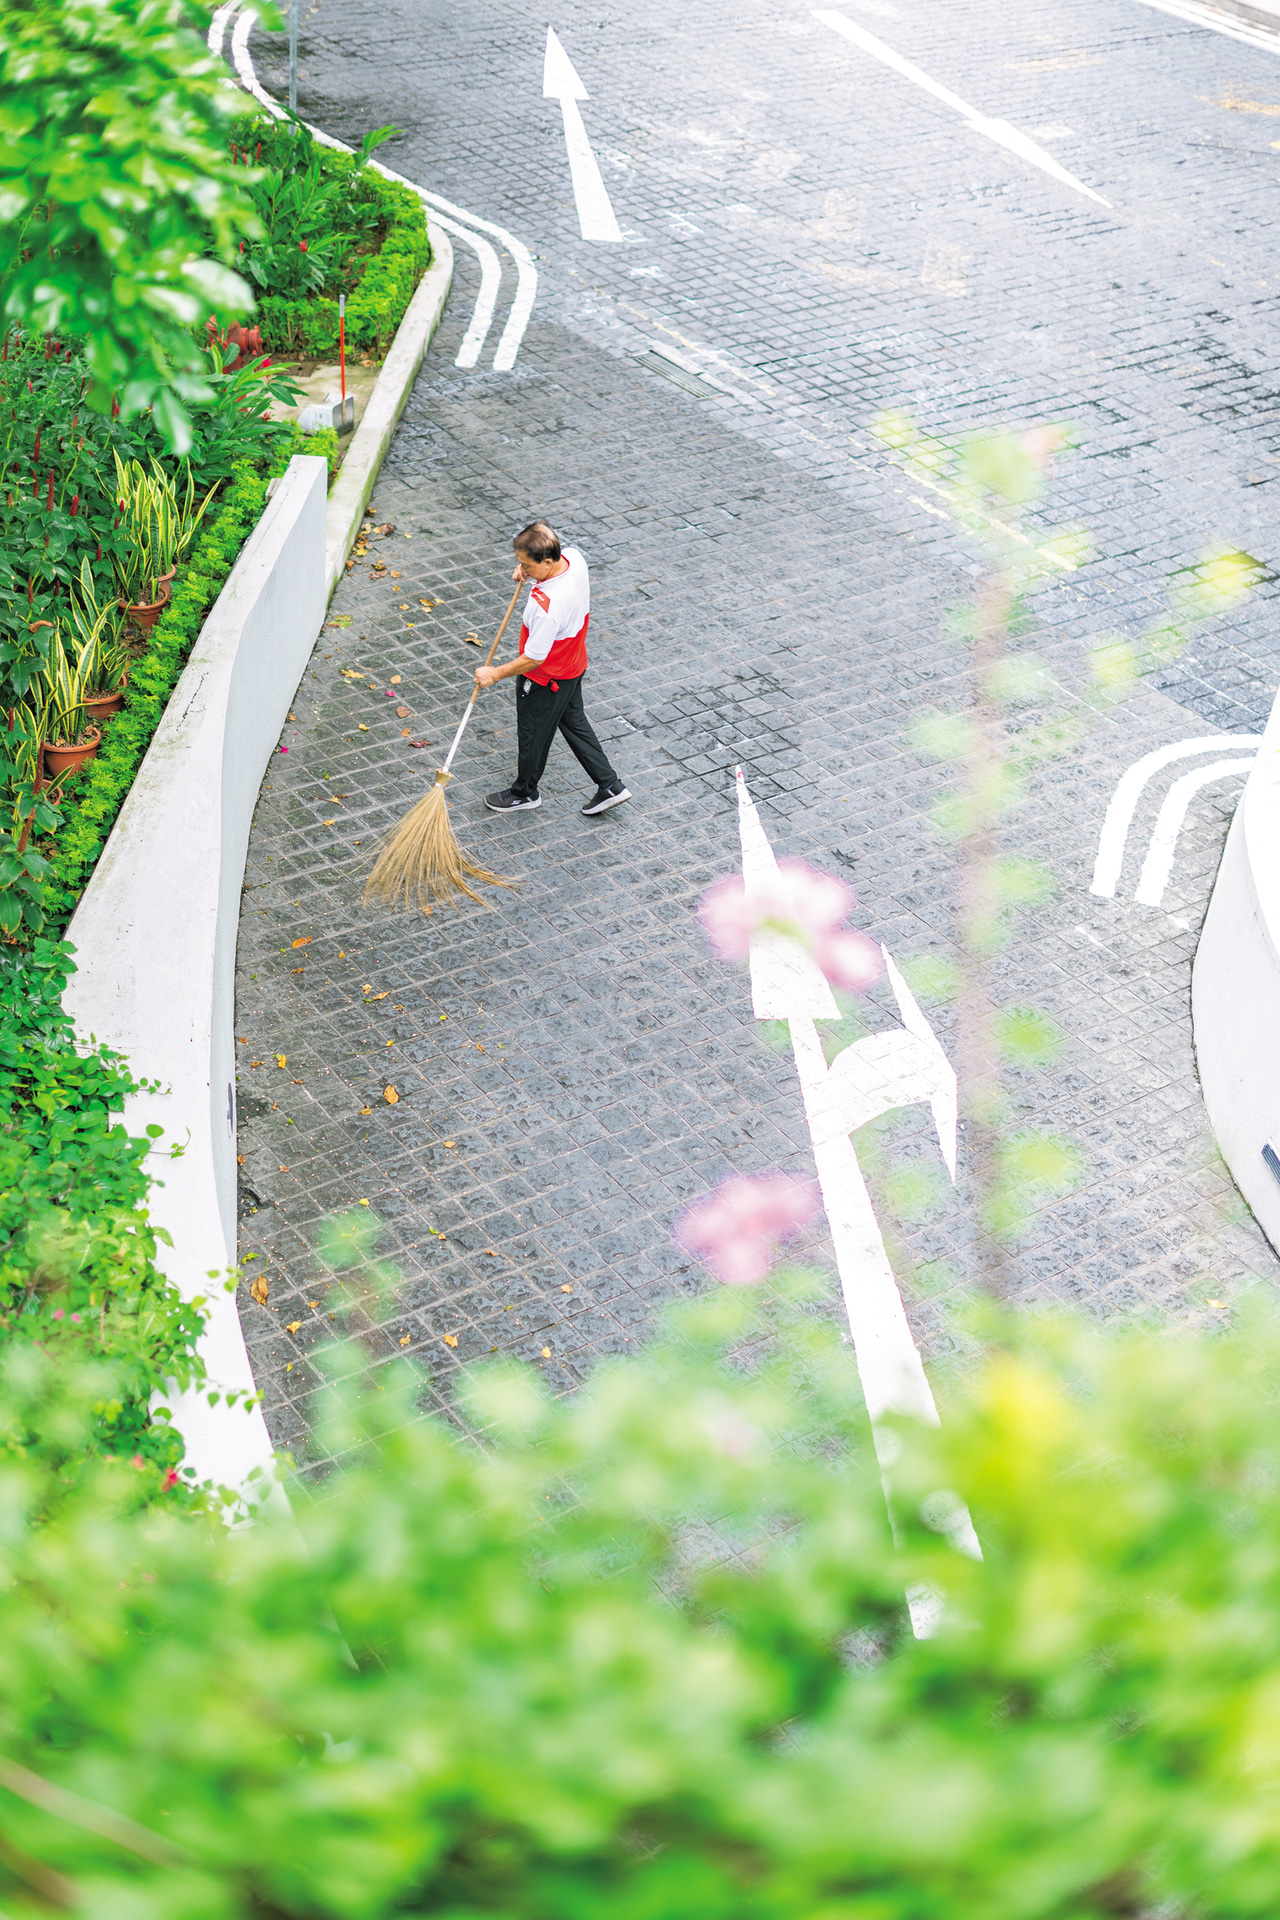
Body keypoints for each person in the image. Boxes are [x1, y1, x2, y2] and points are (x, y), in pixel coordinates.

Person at [474, 522, 631, 816]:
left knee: (533, 734)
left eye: (526, 565)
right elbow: (545, 544)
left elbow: (533, 658)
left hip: (545, 679)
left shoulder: (548, 606)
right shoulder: (573, 557)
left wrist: (494, 674)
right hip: (572, 667)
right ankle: (610, 785)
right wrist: (527, 573)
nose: (522, 570)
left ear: (547, 561)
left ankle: (524, 792)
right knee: (574, 723)